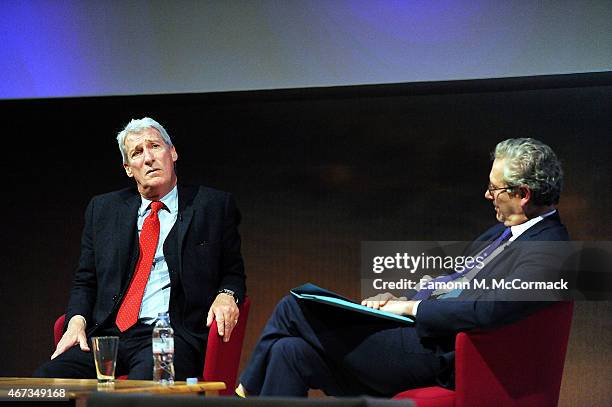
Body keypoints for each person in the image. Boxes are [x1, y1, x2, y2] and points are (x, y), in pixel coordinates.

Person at [237, 138, 568, 397]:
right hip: (416, 339)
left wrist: (412, 307)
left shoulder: (550, 250)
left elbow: (488, 310)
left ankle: (242, 393)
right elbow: (454, 281)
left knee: (297, 304)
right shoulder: (501, 232)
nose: (486, 194)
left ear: (523, 194)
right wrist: (401, 300)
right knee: (288, 351)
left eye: (494, 189)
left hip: (438, 355)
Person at [34, 117, 246, 380]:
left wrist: (227, 294)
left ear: (173, 152)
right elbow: (85, 280)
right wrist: (76, 319)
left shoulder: (212, 206)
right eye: (137, 152)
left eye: (155, 146)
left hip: (170, 336)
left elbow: (233, 273)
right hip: (108, 337)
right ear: (128, 168)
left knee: (138, 392)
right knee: (43, 383)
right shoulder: (103, 210)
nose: (148, 158)